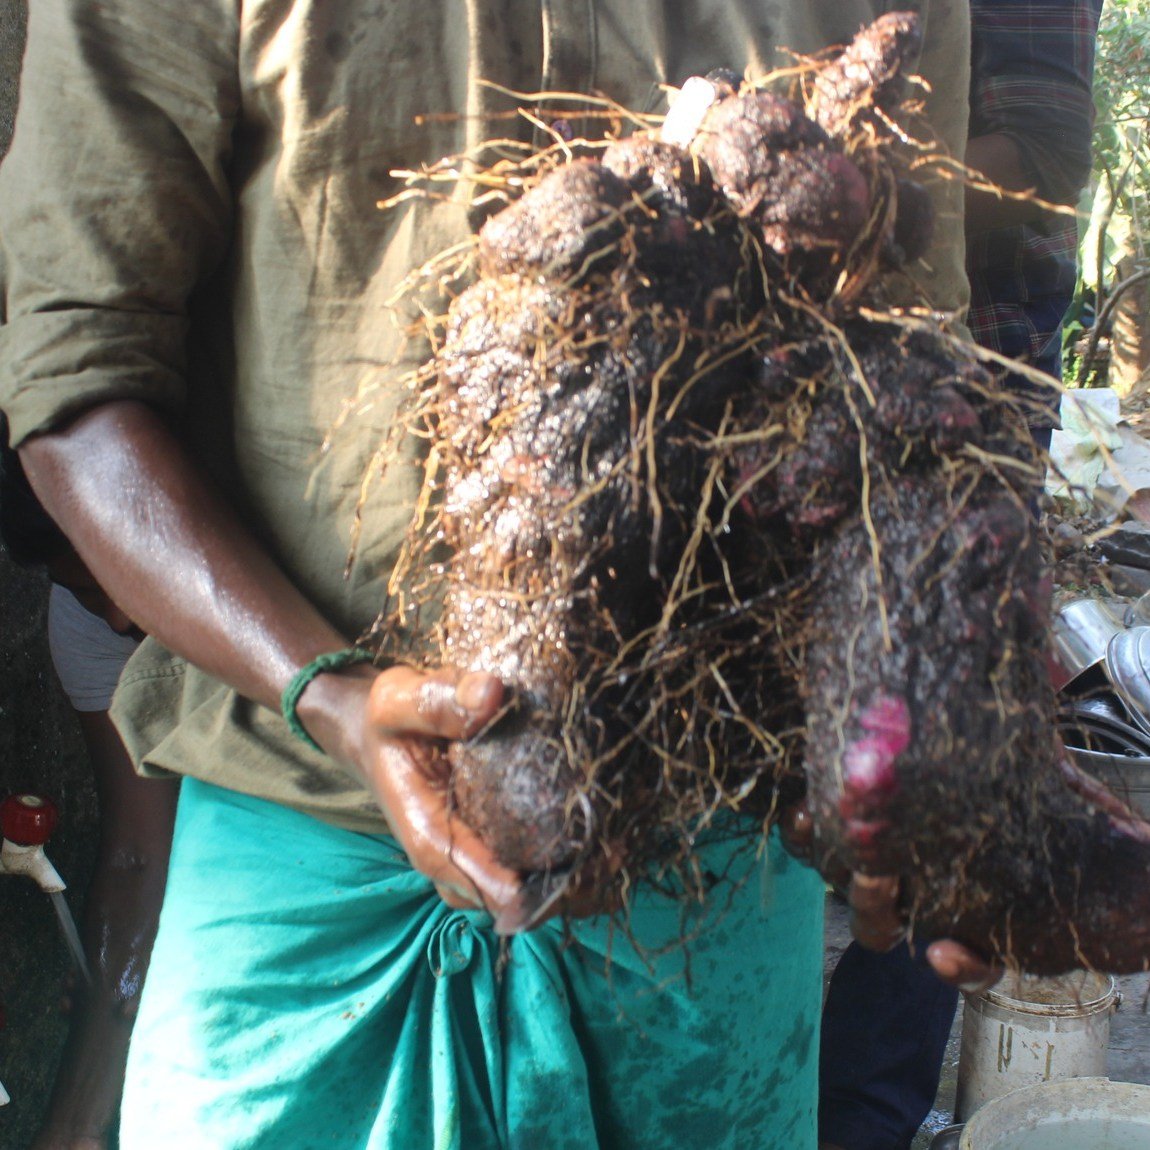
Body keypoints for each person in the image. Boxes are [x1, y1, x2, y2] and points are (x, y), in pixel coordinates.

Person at [0, 3, 987, 1147]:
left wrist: (920, 742)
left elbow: (908, 405)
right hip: (304, 862)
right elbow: (75, 380)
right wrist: (331, 693)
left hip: (708, 904)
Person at [818, 4, 1104, 1148]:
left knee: (939, 779)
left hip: (963, 406)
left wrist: (847, 189)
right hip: (792, 397)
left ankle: (860, 1119)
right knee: (796, 761)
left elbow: (1041, 161)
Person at [0, 435, 178, 1150]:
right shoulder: (88, 629)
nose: (117, 618)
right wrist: (72, 1131)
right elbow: (138, 855)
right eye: (81, 588)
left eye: (117, 571)